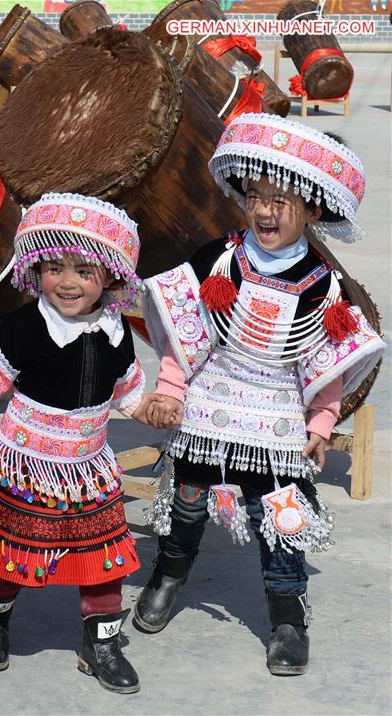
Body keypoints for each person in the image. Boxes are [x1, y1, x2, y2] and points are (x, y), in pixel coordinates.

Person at [136, 114, 384, 676]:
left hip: (276, 412)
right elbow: (184, 333)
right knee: (186, 504)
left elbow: (327, 366)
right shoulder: (216, 258)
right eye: (255, 196)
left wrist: (320, 425)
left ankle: (288, 617)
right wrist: (171, 389)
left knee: (283, 515)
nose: (265, 211)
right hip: (209, 398)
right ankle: (169, 575)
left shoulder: (325, 287)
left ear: (315, 209)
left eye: (282, 200)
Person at [0, 193, 164, 694]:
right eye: (54, 267)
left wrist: (150, 409)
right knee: (17, 552)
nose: (68, 282)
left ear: (112, 278)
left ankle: (101, 642)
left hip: (91, 465)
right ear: (35, 270)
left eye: (84, 270)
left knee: (105, 556)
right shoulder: (24, 326)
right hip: (28, 462)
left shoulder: (116, 330)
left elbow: (126, 392)